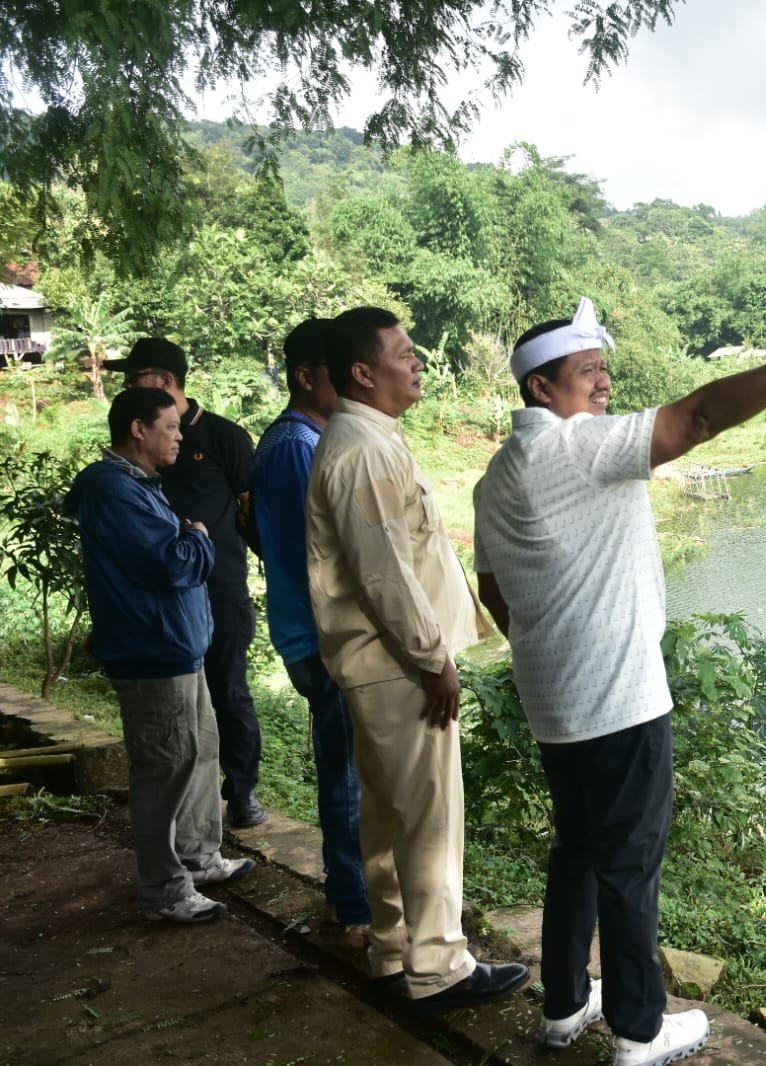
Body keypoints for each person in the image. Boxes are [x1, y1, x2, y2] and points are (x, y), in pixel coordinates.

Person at [472, 298, 766, 1065]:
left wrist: (548, 650)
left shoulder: (496, 474)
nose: (603, 383)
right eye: (586, 371)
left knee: (578, 848)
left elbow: (495, 591)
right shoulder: (580, 448)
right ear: (540, 389)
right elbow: (698, 418)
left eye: (604, 368)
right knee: (629, 858)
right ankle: (637, 1028)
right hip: (619, 697)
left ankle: (564, 1004)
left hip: (554, 697)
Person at [305, 306, 528, 1016]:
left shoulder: (368, 437)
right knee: (429, 819)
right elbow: (385, 575)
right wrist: (435, 662)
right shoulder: (364, 450)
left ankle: (394, 952)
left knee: (391, 814)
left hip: (381, 666)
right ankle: (439, 968)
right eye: (405, 354)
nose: (418, 363)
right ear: (364, 372)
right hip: (398, 666)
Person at [63, 387, 256, 921]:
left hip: (178, 646)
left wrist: (191, 537)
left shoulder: (140, 485)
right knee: (164, 767)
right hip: (151, 650)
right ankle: (164, 889)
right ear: (137, 430)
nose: (178, 435)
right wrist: (197, 536)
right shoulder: (111, 489)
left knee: (199, 754)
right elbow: (171, 564)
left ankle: (198, 858)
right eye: (170, 427)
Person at [105, 337, 266, 828]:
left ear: (166, 381)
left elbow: (252, 513)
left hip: (218, 590)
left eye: (136, 378)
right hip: (160, 600)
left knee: (229, 693)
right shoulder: (134, 445)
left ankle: (241, 793)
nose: (129, 386)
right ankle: (188, 817)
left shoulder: (223, 437)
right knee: (178, 711)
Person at [251, 318, 372, 939]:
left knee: (350, 764)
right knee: (348, 768)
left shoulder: (297, 441)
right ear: (306, 376)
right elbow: (326, 551)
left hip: (317, 634)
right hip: (326, 638)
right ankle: (354, 902)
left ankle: (356, 895)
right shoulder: (298, 447)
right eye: (339, 372)